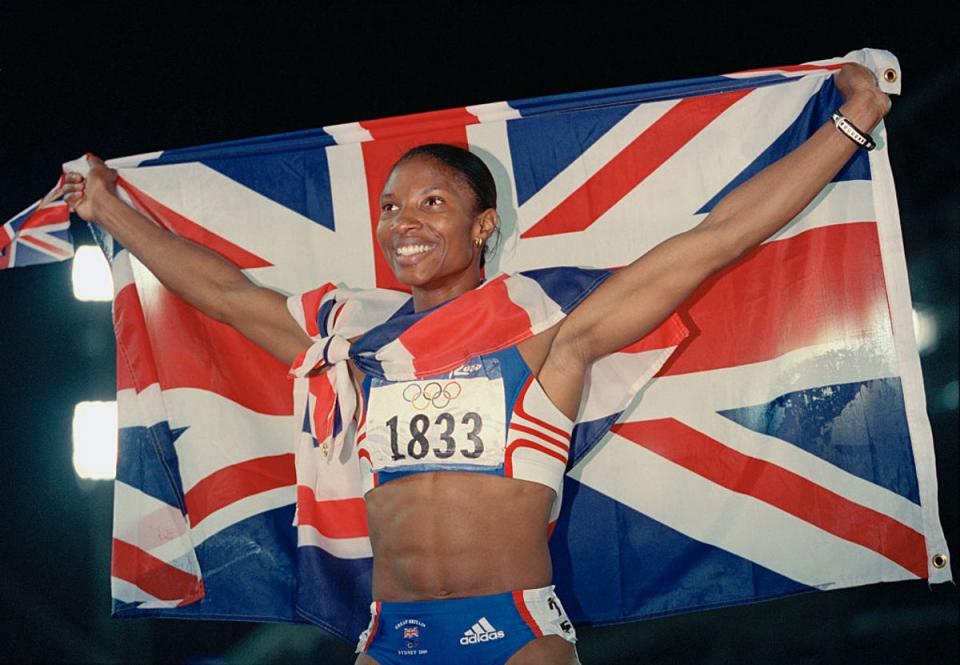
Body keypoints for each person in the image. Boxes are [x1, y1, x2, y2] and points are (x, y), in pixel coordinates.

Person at [64, 64, 889, 665]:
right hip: (389, 637)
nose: (403, 222)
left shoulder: (548, 340)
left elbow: (716, 240)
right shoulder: (352, 345)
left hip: (514, 637)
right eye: (390, 207)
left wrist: (848, 126)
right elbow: (221, 294)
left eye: (433, 203)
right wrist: (107, 210)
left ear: (484, 224)